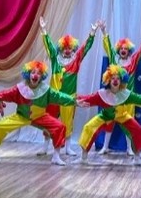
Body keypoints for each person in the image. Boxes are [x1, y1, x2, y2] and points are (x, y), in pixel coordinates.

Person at [0, 60, 79, 166]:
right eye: (33, 72)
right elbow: (5, 94)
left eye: (39, 73)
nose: (35, 75)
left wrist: (74, 101)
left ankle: (56, 157)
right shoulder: (20, 88)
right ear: (28, 74)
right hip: (21, 116)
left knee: (59, 127)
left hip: (40, 117)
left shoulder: (45, 90)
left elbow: (59, 97)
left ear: (42, 76)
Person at [37, 16, 102, 157]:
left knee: (68, 122)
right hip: (53, 96)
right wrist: (44, 30)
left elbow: (85, 48)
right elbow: (49, 45)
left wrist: (92, 33)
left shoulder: (76, 60)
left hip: (69, 97)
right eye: (65, 48)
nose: (67, 50)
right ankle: (45, 147)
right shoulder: (55, 59)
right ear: (61, 48)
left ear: (73, 49)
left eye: (69, 48)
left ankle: (67, 148)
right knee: (49, 120)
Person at [75, 64, 141, 167]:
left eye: (118, 78)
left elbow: (139, 99)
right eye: (113, 78)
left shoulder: (125, 94)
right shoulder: (102, 94)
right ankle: (83, 158)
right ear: (108, 80)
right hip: (105, 116)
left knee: (138, 129)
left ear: (121, 81)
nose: (115, 81)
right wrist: (76, 100)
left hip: (122, 116)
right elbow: (89, 99)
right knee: (88, 127)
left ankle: (137, 159)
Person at [99, 23, 141, 156]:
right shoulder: (114, 60)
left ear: (129, 51)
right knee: (109, 120)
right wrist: (104, 31)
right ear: (118, 50)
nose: (123, 50)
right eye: (121, 48)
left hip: (127, 98)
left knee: (129, 121)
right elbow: (108, 46)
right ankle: (105, 147)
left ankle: (129, 148)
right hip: (113, 96)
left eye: (125, 48)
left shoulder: (132, 61)